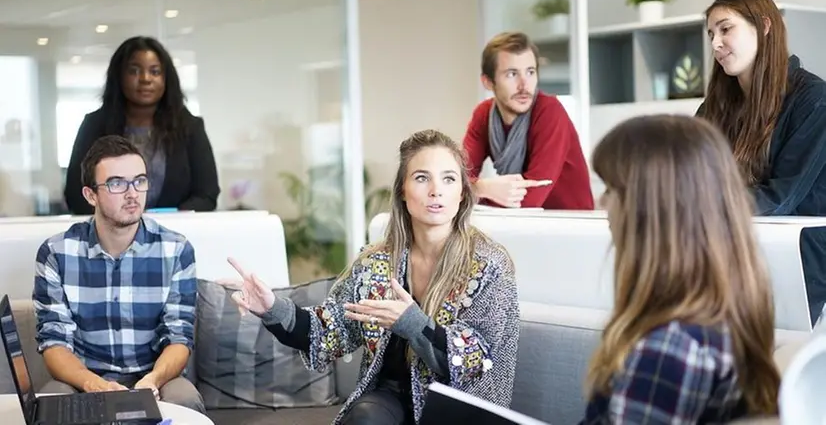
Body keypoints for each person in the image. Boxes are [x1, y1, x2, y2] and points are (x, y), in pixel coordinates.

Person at [225, 130, 520, 425]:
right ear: (402, 190)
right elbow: (328, 331)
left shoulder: (489, 265)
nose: (436, 190)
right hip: (390, 401)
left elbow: (475, 361)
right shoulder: (376, 261)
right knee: (365, 418)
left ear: (462, 193)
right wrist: (271, 308)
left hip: (458, 408)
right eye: (421, 178)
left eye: (449, 179)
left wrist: (412, 323)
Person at [581, 115, 780, 423]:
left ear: (648, 209)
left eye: (610, 190)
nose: (601, 202)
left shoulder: (670, 349)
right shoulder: (720, 318)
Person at [34, 135, 203, 413]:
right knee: (50, 401)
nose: (132, 193)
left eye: (139, 181)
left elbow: (179, 337)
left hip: (155, 377)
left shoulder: (176, 250)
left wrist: (152, 380)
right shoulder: (56, 253)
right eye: (116, 183)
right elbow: (54, 343)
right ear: (91, 195)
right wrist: (95, 385)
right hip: (84, 379)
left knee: (185, 399)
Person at [697, 0, 826, 325]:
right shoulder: (714, 107)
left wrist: (701, 206)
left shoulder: (814, 99)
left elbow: (782, 197)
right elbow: (690, 176)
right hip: (732, 251)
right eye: (711, 34)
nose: (716, 44)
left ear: (764, 26)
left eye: (726, 29)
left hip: (800, 261)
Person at [64, 36, 220, 215]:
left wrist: (168, 220)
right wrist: (120, 220)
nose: (145, 79)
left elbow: (207, 195)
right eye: (134, 71)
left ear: (166, 78)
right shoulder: (94, 125)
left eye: (155, 71)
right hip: (109, 230)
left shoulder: (190, 128)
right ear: (119, 76)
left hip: (174, 230)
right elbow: (76, 195)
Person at [462, 31, 593, 210]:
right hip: (521, 221)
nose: (524, 85)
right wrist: (483, 188)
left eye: (530, 72)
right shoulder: (483, 115)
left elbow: (530, 198)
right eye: (512, 74)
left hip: (570, 222)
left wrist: (476, 191)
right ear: (488, 82)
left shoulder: (549, 111)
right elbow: (456, 180)